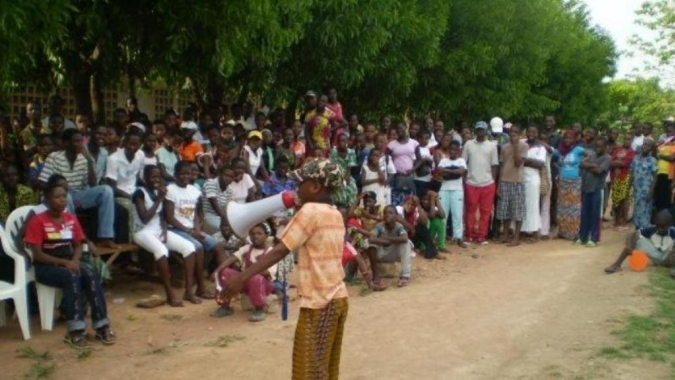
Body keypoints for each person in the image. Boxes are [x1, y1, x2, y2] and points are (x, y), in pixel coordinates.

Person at [220, 157, 348, 379]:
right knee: (325, 367)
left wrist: (242, 278)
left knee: (308, 370)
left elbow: (280, 250)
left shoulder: (309, 212)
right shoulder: (335, 213)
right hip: (337, 299)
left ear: (316, 187)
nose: (296, 188)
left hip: (321, 302)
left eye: (301, 183)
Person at [24, 176, 115, 346]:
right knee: (71, 277)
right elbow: (37, 254)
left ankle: (102, 325)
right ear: (47, 199)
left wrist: (73, 260)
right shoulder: (38, 221)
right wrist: (64, 263)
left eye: (64, 196)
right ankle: (75, 330)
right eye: (57, 197)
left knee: (90, 273)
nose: (62, 200)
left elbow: (79, 245)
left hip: (69, 261)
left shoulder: (70, 219)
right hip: (47, 266)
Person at [38, 128, 116, 248]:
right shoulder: (54, 157)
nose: (80, 144)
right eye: (76, 141)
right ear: (66, 143)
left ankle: (105, 236)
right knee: (66, 195)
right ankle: (76, 237)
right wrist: (59, 189)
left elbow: (93, 184)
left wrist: (89, 160)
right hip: (55, 197)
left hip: (78, 195)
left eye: (81, 141)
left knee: (107, 191)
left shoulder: (84, 159)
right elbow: (42, 183)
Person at [132, 165, 198, 307]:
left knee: (189, 247)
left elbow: (162, 216)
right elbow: (144, 218)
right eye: (153, 177)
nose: (156, 180)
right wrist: (159, 199)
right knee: (161, 250)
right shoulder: (139, 193)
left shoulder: (158, 192)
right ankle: (170, 294)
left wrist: (164, 228)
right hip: (142, 231)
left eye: (159, 177)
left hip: (159, 230)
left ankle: (189, 291)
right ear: (145, 178)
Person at [165, 161, 221, 303]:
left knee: (217, 245)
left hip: (192, 229)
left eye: (188, 173)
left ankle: (224, 281)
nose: (185, 176)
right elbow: (169, 218)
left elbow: (196, 214)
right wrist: (190, 231)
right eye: (182, 174)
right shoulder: (170, 189)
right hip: (176, 229)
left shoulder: (195, 190)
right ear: (175, 175)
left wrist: (197, 228)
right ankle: (195, 289)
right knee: (198, 246)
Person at [213, 223, 276, 321]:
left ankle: (259, 309)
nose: (255, 236)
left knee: (256, 277)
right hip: (245, 282)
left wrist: (246, 273)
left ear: (266, 235)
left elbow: (268, 272)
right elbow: (231, 259)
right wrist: (217, 271)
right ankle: (225, 307)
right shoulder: (247, 248)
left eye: (259, 233)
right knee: (225, 272)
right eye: (252, 234)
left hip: (263, 284)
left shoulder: (271, 252)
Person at [462, 121, 499, 245]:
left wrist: (492, 180)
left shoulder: (492, 146)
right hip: (471, 182)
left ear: (486, 131)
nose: (480, 132)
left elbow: (494, 165)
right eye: (478, 130)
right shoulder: (468, 144)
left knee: (486, 211)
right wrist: (465, 180)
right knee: (470, 210)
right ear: (475, 131)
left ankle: (482, 236)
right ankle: (470, 235)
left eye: (482, 130)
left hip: (487, 183)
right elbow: (464, 163)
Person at [605, 210, 675, 274]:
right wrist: (630, 247)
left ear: (669, 225)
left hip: (668, 258)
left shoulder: (673, 231)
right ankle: (617, 265)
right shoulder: (651, 229)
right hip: (655, 256)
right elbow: (633, 234)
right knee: (634, 236)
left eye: (663, 227)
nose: (660, 229)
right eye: (658, 226)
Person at [365, 205, 414, 288]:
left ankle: (404, 276)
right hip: (381, 254)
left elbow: (405, 238)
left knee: (407, 243)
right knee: (369, 243)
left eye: (390, 213)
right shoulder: (379, 226)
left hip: (394, 253)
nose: (387, 215)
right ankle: (376, 276)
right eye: (385, 213)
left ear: (396, 216)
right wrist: (385, 241)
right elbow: (371, 238)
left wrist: (387, 239)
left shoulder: (399, 226)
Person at [576, 138, 612, 247]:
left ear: (605, 147)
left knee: (595, 215)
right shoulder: (592, 156)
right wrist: (592, 165)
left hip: (597, 189)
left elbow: (599, 171)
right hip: (586, 188)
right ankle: (582, 237)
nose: (598, 148)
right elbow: (581, 164)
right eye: (596, 146)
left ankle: (594, 238)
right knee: (585, 214)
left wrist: (589, 166)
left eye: (600, 146)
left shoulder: (607, 158)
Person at [496, 125, 528, 246]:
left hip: (517, 182)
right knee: (505, 210)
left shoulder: (524, 146)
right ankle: (505, 234)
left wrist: (515, 147)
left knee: (518, 211)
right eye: (511, 132)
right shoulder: (504, 147)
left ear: (519, 134)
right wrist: (499, 185)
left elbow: (517, 163)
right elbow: (502, 166)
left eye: (515, 132)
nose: (513, 134)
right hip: (505, 181)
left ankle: (516, 237)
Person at [436, 139, 467, 248]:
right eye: (451, 149)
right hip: (444, 190)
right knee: (443, 215)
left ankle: (458, 237)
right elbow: (440, 172)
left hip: (457, 190)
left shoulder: (461, 161)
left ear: (459, 151)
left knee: (457, 215)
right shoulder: (443, 160)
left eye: (455, 150)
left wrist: (448, 171)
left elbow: (461, 172)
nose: (453, 151)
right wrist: (454, 171)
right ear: (448, 150)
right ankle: (441, 237)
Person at [556, 130, 585, 240]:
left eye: (570, 138)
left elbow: (591, 154)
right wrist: (559, 168)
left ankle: (573, 233)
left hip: (574, 181)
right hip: (563, 181)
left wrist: (583, 165)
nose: (567, 140)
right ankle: (562, 232)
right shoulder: (560, 151)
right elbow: (553, 157)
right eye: (565, 138)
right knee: (563, 207)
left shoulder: (578, 150)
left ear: (574, 139)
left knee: (574, 208)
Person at [521, 127, 547, 240]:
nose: (531, 134)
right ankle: (522, 230)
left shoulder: (541, 148)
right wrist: (531, 161)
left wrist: (524, 161)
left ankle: (533, 230)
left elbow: (540, 164)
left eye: (534, 132)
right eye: (529, 131)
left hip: (533, 178)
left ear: (537, 134)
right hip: (521, 177)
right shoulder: (522, 144)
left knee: (533, 205)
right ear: (526, 132)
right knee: (522, 204)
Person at [387, 122, 419, 206]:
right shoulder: (391, 144)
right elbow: (386, 159)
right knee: (396, 203)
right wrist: (394, 170)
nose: (399, 130)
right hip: (396, 177)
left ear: (406, 127)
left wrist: (413, 169)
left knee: (409, 203)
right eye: (397, 129)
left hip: (409, 177)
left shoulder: (414, 143)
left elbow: (420, 159)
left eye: (401, 128)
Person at [631, 139, 658, 230]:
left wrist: (652, 190)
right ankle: (637, 231)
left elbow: (655, 177)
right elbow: (631, 172)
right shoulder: (636, 158)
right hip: (636, 189)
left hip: (646, 190)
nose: (645, 147)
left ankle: (644, 232)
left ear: (651, 148)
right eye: (644, 144)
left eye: (648, 145)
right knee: (637, 210)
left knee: (645, 210)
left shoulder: (652, 160)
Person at [611, 133, 636, 230]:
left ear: (632, 141)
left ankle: (624, 221)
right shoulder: (617, 150)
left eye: (629, 139)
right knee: (616, 199)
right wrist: (620, 163)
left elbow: (627, 163)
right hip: (616, 177)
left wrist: (618, 162)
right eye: (625, 139)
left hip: (626, 177)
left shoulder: (632, 152)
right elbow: (612, 161)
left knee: (624, 199)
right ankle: (616, 221)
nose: (626, 141)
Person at [202, 165, 234, 232]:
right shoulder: (210, 183)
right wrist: (225, 220)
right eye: (226, 175)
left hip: (220, 217)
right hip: (207, 215)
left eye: (231, 177)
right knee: (226, 230)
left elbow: (226, 208)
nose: (228, 178)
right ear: (220, 174)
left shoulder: (230, 190)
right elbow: (214, 203)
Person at [413, 129, 434, 197]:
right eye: (422, 138)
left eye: (426, 138)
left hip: (427, 178)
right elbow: (415, 161)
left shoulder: (429, 149)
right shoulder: (416, 149)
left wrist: (428, 161)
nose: (424, 140)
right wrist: (423, 160)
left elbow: (432, 163)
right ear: (418, 139)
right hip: (417, 178)